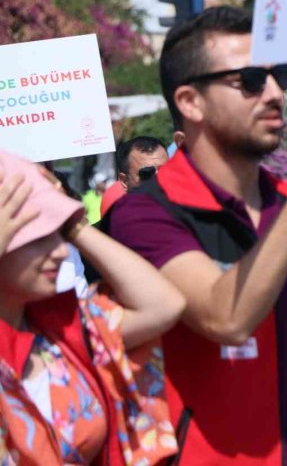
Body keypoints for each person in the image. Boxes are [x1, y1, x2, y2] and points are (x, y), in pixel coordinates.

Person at [106, 6, 287, 465]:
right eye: (251, 79)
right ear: (190, 102)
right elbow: (225, 318)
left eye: (280, 74)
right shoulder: (142, 216)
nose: (274, 92)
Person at [0, 150, 186, 464]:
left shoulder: (65, 333)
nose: (61, 252)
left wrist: (74, 225)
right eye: (38, 237)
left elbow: (163, 305)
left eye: (59, 235)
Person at [100, 136, 170, 217]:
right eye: (147, 173)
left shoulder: (186, 218)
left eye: (165, 171)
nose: (159, 180)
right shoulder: (112, 226)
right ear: (124, 181)